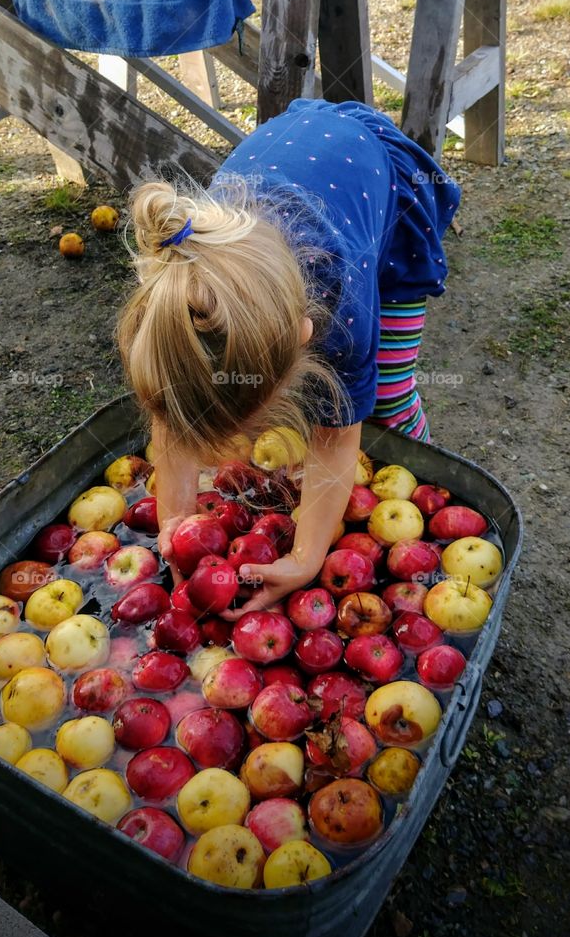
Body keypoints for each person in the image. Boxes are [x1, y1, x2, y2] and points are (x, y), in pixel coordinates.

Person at [118, 98, 460, 615]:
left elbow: (335, 437)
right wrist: (177, 520)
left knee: (383, 393)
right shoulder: (177, 298)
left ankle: (417, 460)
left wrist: (305, 557)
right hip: (290, 169)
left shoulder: (342, 314)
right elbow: (176, 416)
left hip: (378, 191)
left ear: (304, 337)